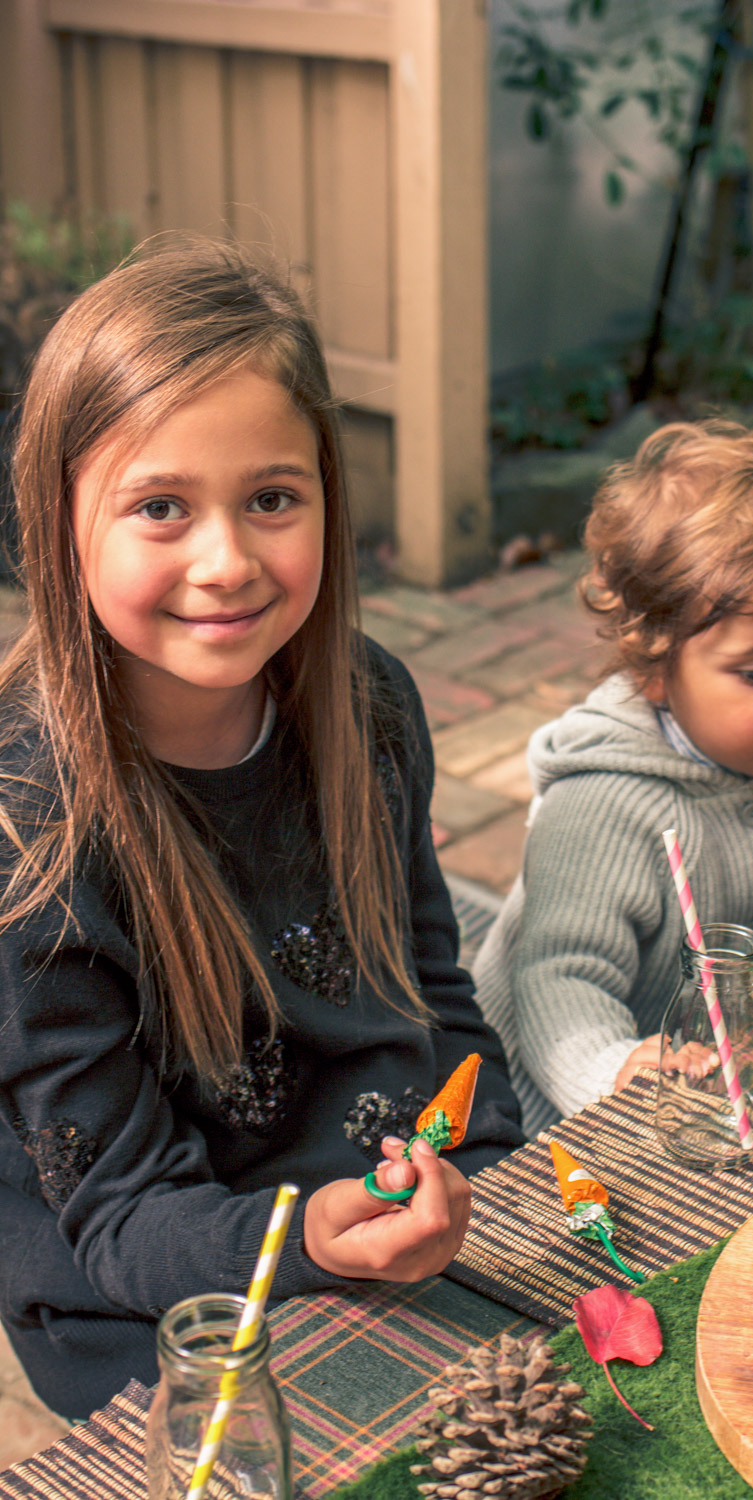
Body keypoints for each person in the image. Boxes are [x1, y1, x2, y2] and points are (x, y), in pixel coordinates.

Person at [0, 242, 523, 1420]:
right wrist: (314, 1253)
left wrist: (479, 1159)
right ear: (58, 522)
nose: (227, 562)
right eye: (159, 508)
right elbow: (119, 1211)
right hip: (149, 1282)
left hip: (372, 1193)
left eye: (271, 499)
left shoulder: (369, 703)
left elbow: (433, 996)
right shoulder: (24, 831)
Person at [473, 419, 753, 1138]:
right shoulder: (601, 808)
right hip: (574, 1120)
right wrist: (611, 1066)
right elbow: (558, 980)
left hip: (746, 1082)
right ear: (655, 664)